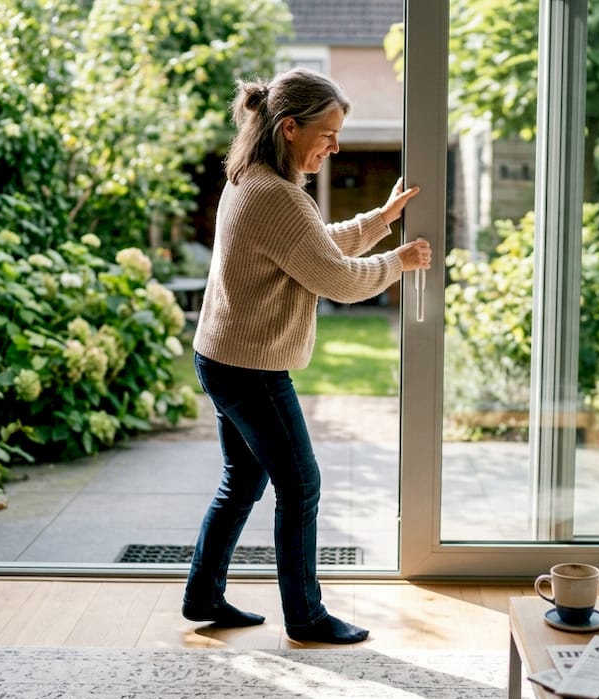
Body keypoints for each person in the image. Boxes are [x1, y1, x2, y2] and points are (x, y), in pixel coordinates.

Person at [180, 66, 432, 644]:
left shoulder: (254, 179)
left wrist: (380, 221)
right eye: (328, 133)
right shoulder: (277, 195)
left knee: (241, 481)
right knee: (301, 486)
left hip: (222, 355)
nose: (335, 146)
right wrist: (400, 261)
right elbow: (338, 280)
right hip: (251, 367)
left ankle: (203, 594)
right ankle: (306, 616)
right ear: (290, 127)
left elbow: (311, 248)